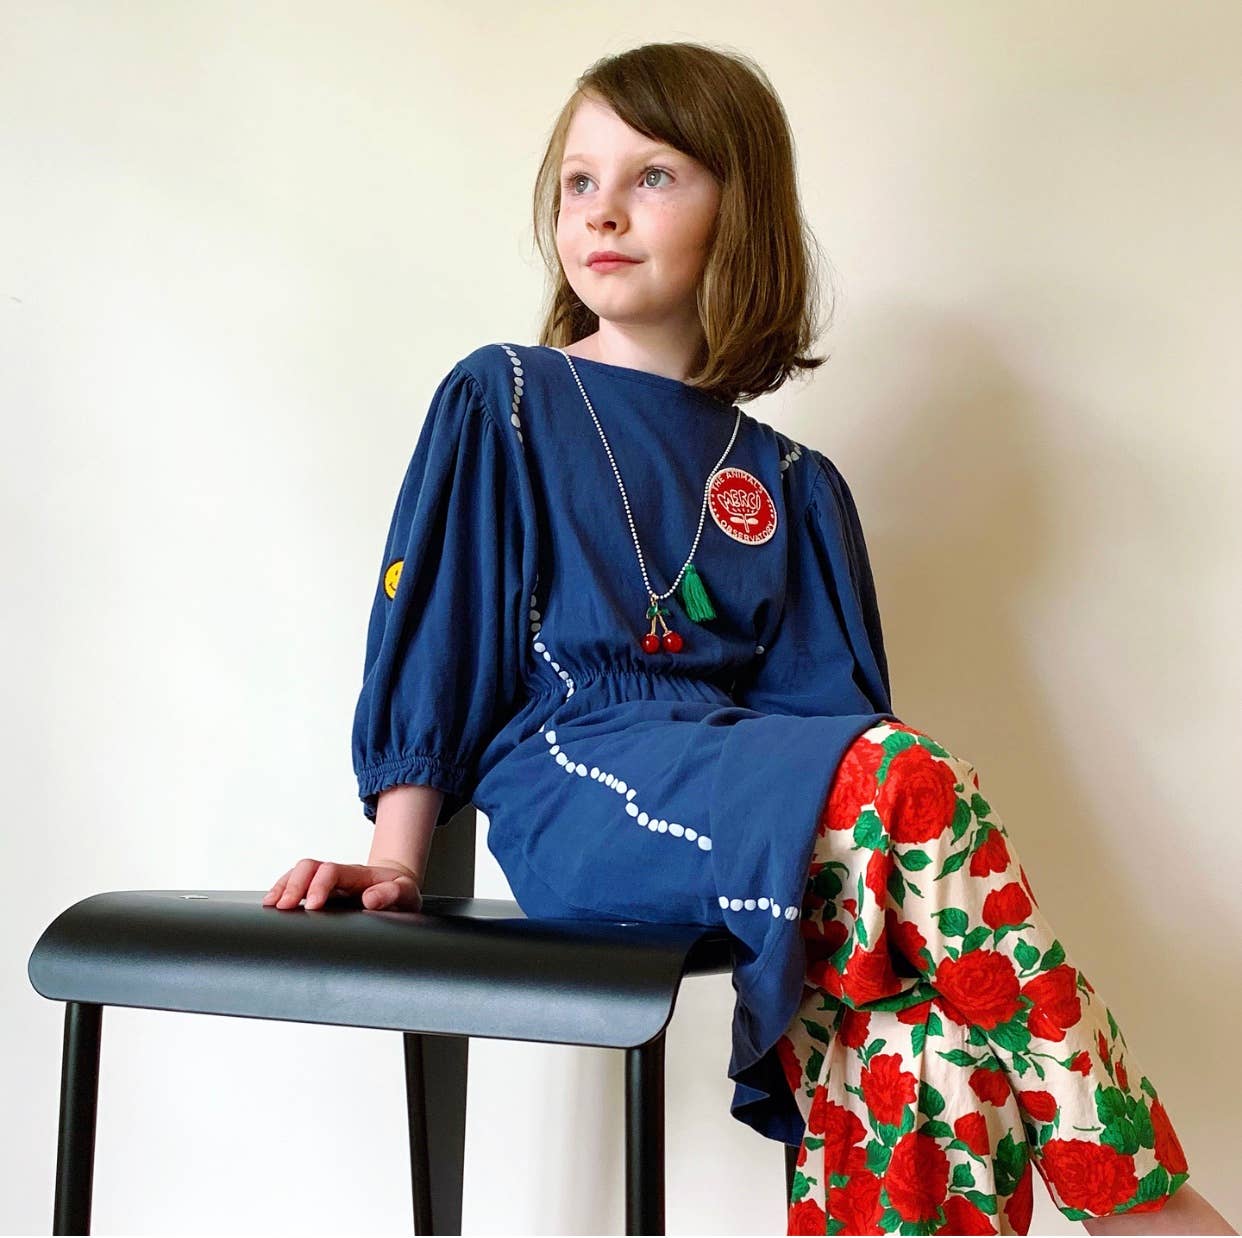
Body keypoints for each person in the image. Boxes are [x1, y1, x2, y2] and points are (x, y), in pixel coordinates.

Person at [262, 41, 1236, 1238]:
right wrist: (399, 853)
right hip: (580, 775)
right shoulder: (506, 398)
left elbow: (828, 721)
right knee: (911, 777)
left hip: (742, 804)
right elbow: (439, 623)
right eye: (578, 181)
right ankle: (1141, 1203)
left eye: (654, 174)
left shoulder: (793, 483)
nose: (603, 209)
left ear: (742, 211)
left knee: (914, 1027)